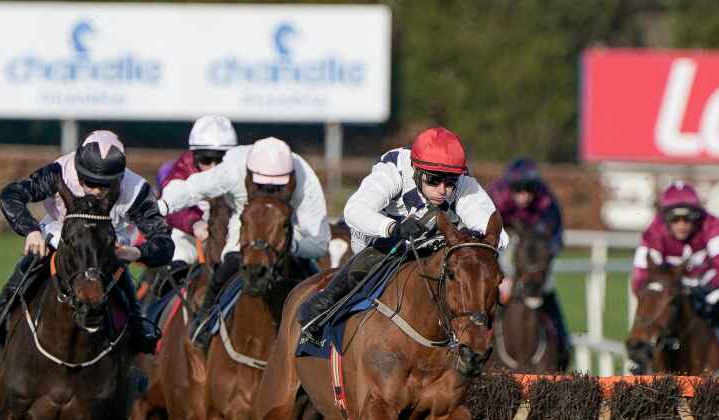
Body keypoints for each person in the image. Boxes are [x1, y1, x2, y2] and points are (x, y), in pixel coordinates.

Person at [298, 126, 509, 346]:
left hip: (432, 243)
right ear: (416, 170)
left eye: (449, 183)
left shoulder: (462, 181)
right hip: (379, 239)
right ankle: (318, 314)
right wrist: (392, 228)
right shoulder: (394, 170)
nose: (443, 189)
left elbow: (497, 234)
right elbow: (354, 210)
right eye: (434, 180)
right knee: (380, 257)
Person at [0, 130, 171, 353]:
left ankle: (138, 328)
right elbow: (10, 195)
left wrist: (138, 252)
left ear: (119, 178)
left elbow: (164, 242)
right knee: (35, 258)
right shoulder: (59, 172)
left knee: (120, 275)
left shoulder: (138, 190)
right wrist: (31, 230)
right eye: (88, 182)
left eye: (104, 186)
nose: (95, 192)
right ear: (78, 170)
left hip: (109, 240)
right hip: (62, 231)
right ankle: (1, 311)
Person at [157, 136, 328, 348]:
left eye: (277, 187)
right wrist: (162, 206)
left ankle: (321, 329)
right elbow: (192, 188)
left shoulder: (305, 178)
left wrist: (288, 245)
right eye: (262, 184)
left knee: (311, 273)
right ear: (248, 177)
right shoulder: (233, 167)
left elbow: (320, 244)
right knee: (229, 264)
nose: (269, 191)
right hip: (245, 216)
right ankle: (205, 317)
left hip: (285, 225)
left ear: (291, 179)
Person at [631, 181, 719, 350]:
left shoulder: (713, 225)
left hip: (708, 296)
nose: (681, 224)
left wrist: (703, 289)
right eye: (675, 219)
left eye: (687, 218)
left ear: (697, 216)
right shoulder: (653, 232)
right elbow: (640, 277)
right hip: (670, 299)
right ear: (665, 218)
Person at [487, 158, 569, 370]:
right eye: (518, 189)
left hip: (535, 250)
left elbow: (556, 238)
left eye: (528, 188)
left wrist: (540, 267)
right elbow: (482, 235)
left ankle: (562, 342)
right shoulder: (495, 196)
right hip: (503, 244)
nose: (523, 194)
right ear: (509, 187)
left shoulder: (546, 202)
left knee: (545, 287)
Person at [159, 115, 238, 273]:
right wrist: (193, 223)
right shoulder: (184, 165)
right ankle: (166, 291)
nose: (214, 167)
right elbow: (170, 204)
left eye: (221, 160)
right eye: (206, 159)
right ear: (194, 156)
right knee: (177, 252)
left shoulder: (241, 168)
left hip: (231, 232)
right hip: (192, 236)